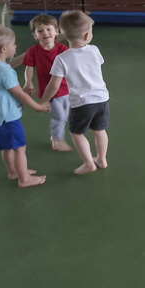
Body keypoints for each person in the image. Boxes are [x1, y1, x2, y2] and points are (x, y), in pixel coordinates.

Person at [0, 24, 50, 188]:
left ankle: (13, 172)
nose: (16, 46)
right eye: (13, 44)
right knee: (19, 148)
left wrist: (22, 90)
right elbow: (19, 94)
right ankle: (24, 179)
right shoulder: (5, 71)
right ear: (4, 49)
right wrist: (38, 107)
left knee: (7, 147)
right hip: (8, 118)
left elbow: (8, 90)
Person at [40, 11, 110, 175]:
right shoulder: (94, 50)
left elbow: (54, 85)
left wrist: (44, 100)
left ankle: (89, 163)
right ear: (87, 35)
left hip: (82, 103)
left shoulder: (62, 58)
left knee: (76, 133)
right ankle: (101, 159)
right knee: (99, 131)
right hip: (102, 99)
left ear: (63, 35)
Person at [22, 14, 72, 152]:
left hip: (65, 90)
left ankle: (56, 136)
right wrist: (28, 82)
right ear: (35, 35)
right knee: (59, 117)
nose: (45, 33)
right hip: (49, 91)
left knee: (64, 116)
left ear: (56, 32)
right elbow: (29, 68)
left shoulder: (62, 49)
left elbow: (71, 67)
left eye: (48, 29)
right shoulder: (33, 51)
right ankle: (57, 139)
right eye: (40, 31)